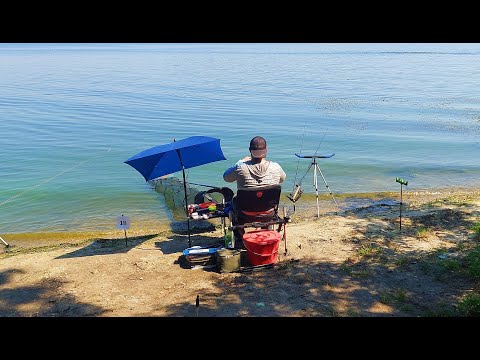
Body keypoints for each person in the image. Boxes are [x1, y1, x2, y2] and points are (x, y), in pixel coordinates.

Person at [223, 136, 286, 248]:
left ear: (250, 151)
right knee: (265, 199)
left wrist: (240, 161)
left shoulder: (241, 167)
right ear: (266, 150)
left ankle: (242, 238)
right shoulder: (275, 167)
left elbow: (226, 177)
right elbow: (282, 179)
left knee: (232, 202)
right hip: (268, 213)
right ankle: (266, 233)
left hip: (244, 214)